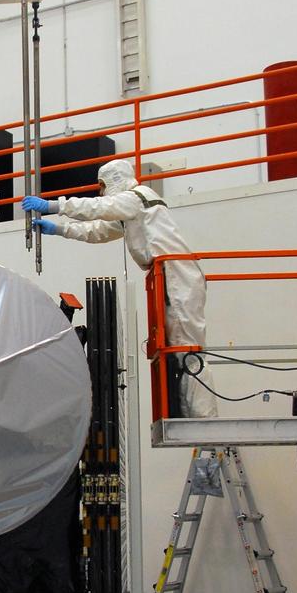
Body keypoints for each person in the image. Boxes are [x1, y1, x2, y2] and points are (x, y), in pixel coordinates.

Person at [23, 158, 218, 418]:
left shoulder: (137, 197)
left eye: (102, 186)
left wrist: (53, 205)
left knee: (188, 350)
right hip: (169, 276)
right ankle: (194, 414)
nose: (101, 192)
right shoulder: (133, 210)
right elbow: (98, 231)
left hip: (177, 276)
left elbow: (98, 208)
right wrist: (60, 229)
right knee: (178, 350)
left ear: (113, 181)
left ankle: (205, 419)